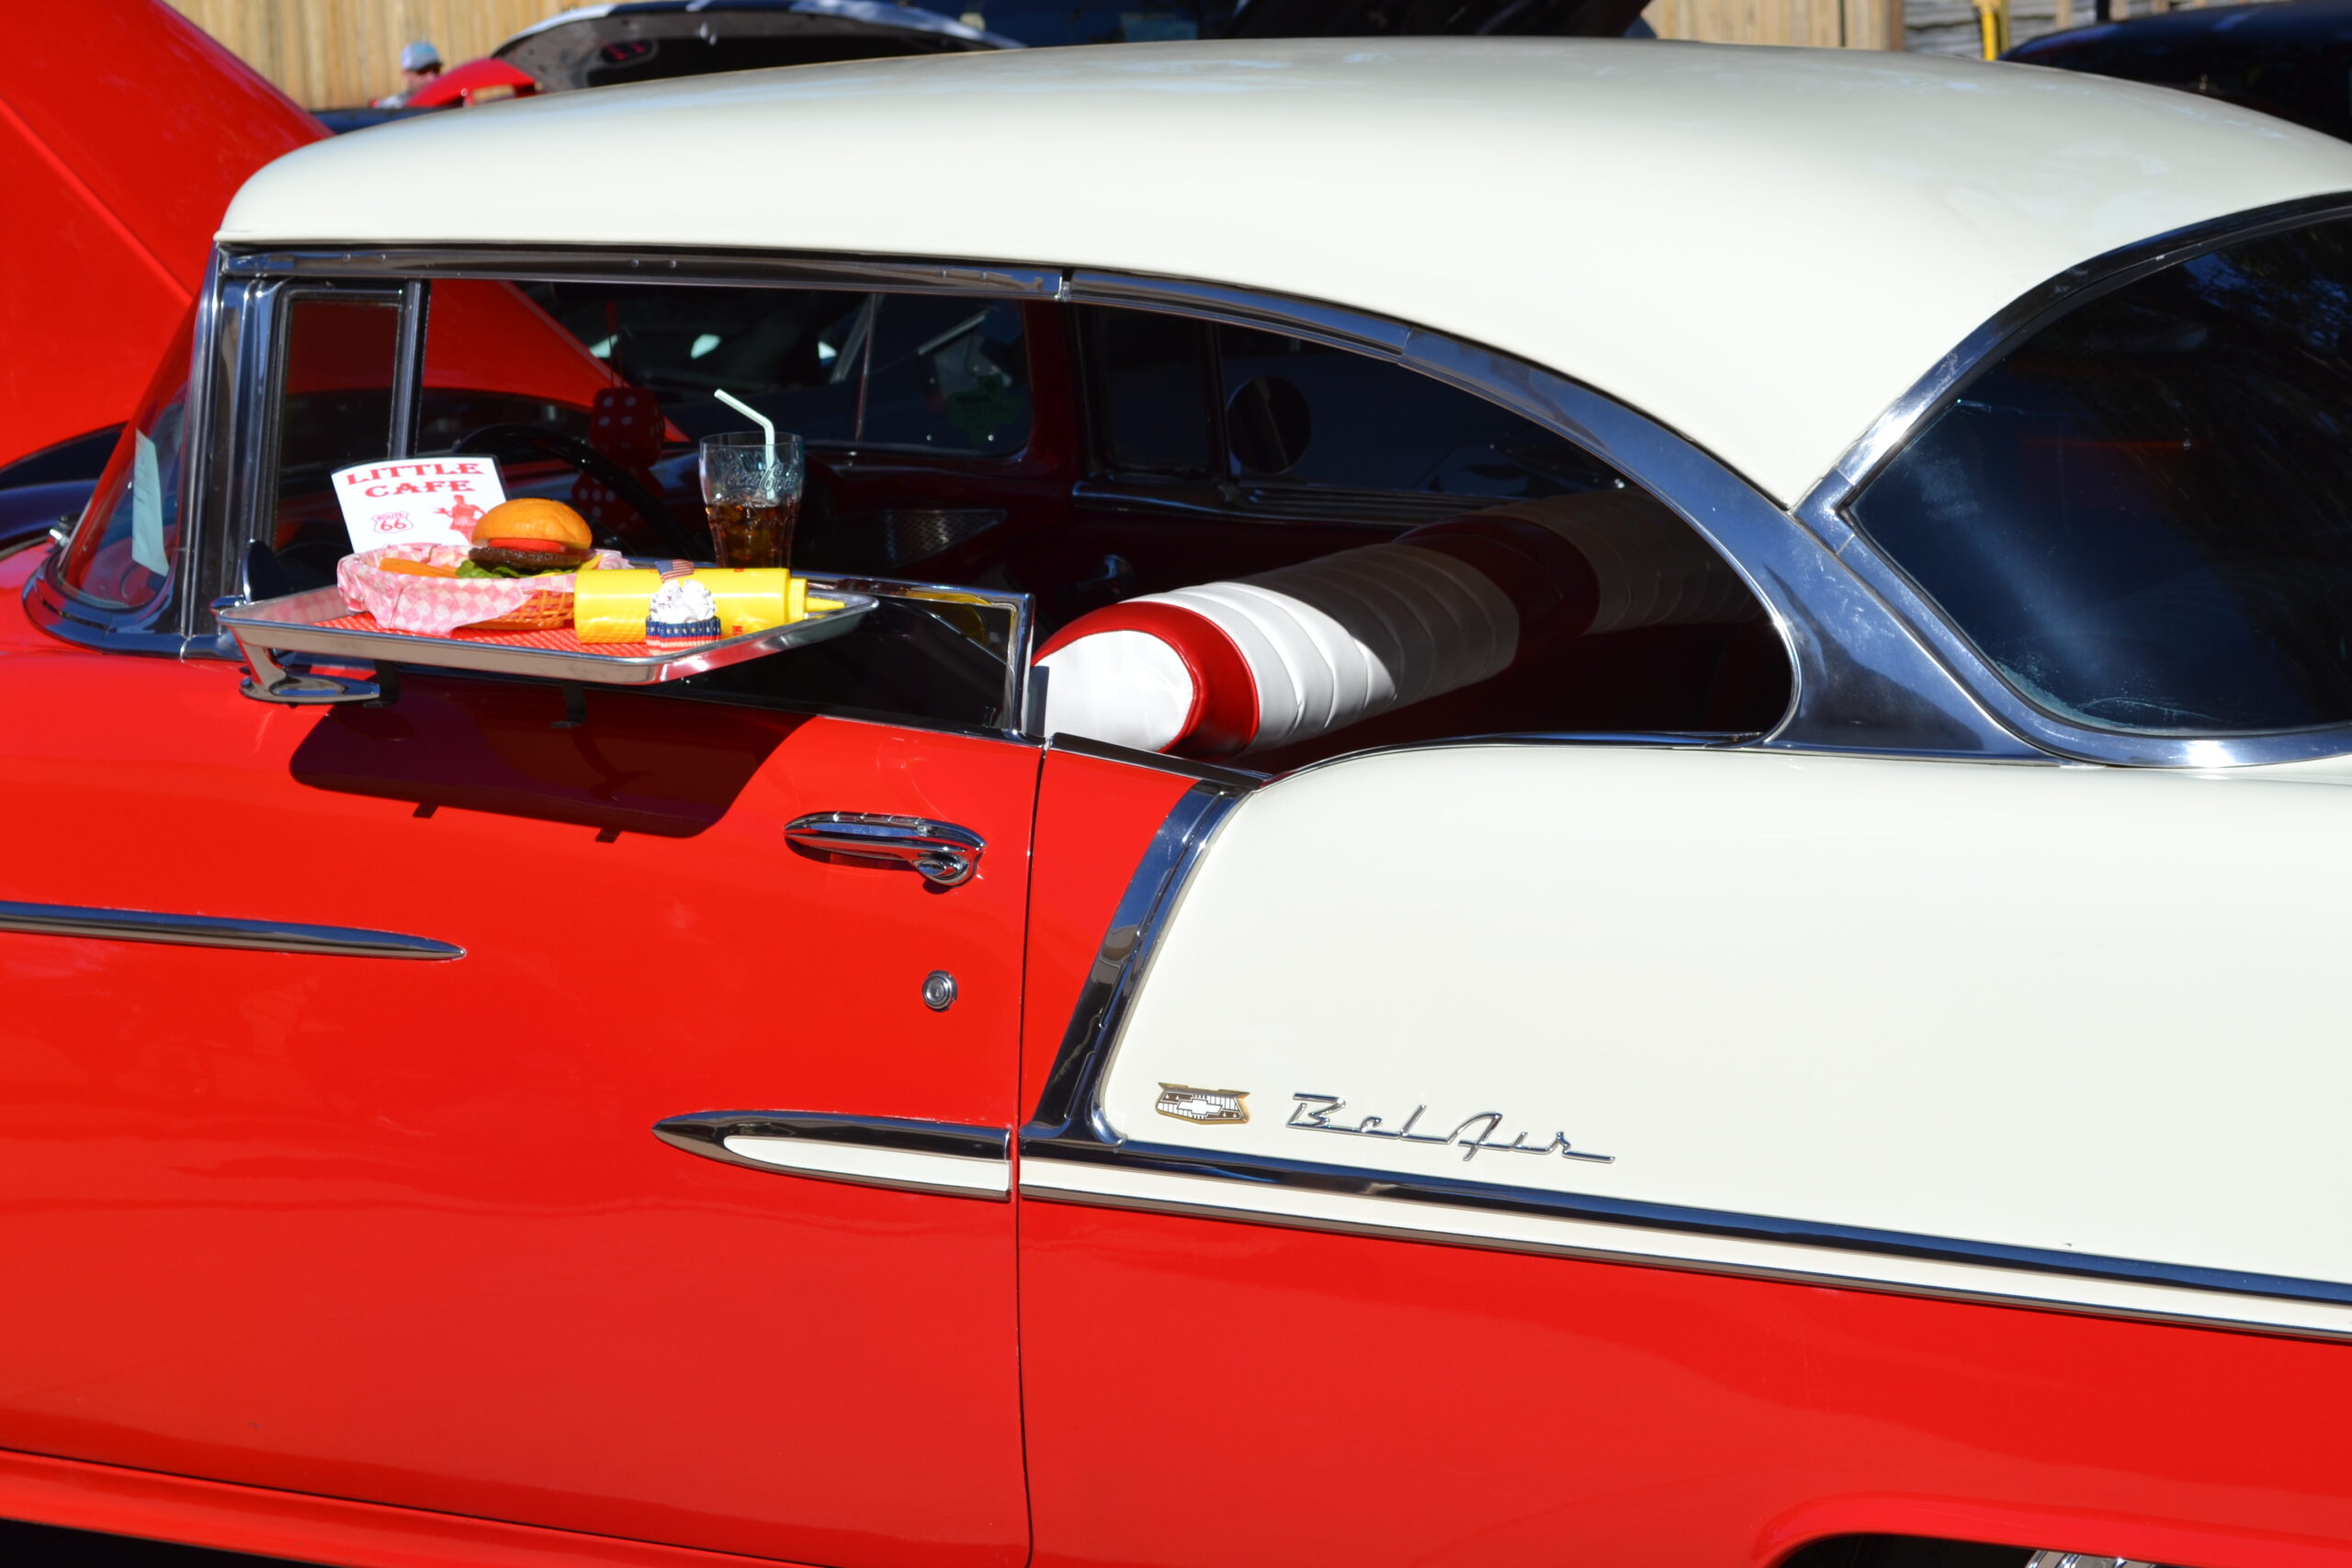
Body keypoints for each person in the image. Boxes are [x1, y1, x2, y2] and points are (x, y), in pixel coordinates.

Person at [372, 41, 442, 107]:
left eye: (436, 70)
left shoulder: (447, 105)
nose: (431, 78)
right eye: (422, 71)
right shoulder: (390, 108)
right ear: (405, 75)